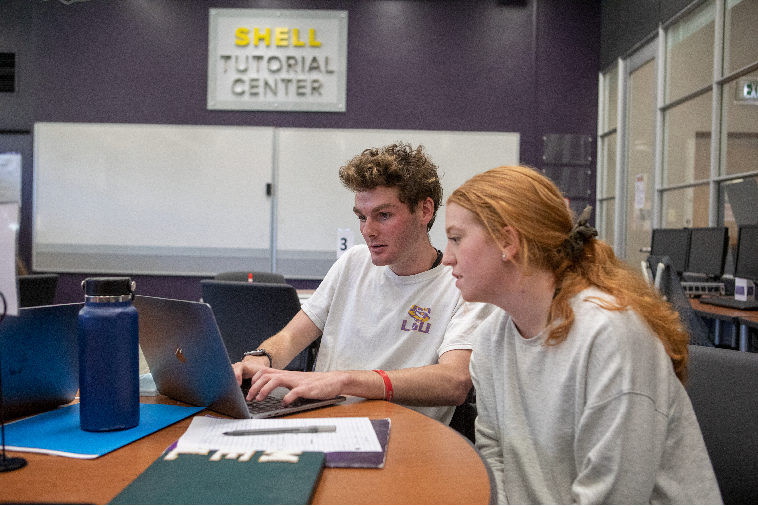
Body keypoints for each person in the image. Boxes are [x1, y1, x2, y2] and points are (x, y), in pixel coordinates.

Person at [442, 165, 721, 504]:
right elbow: (496, 463)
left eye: (456, 238)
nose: (447, 257)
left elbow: (614, 497)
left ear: (508, 241)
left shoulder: (610, 333)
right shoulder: (489, 340)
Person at [232, 142, 494, 424]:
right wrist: (261, 359)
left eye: (384, 215)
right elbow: (291, 337)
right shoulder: (353, 262)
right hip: (319, 423)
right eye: (361, 217)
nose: (368, 231)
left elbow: (453, 382)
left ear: (425, 210)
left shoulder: (460, 284)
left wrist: (343, 382)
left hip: (401, 438)